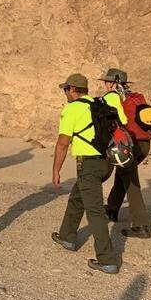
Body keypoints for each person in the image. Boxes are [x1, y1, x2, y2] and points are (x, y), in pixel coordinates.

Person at [51, 73, 127, 274]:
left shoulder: (72, 109)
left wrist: (56, 170)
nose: (65, 93)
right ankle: (67, 236)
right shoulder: (96, 104)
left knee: (95, 212)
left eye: (66, 89)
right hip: (106, 163)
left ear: (73, 90)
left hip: (89, 166)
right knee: (78, 197)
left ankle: (107, 260)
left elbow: (63, 143)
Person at [99, 68, 151, 238]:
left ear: (114, 83)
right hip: (144, 144)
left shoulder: (114, 98)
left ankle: (141, 225)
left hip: (129, 145)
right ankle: (112, 209)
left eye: (107, 82)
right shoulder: (136, 97)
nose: (105, 85)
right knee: (123, 174)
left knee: (130, 181)